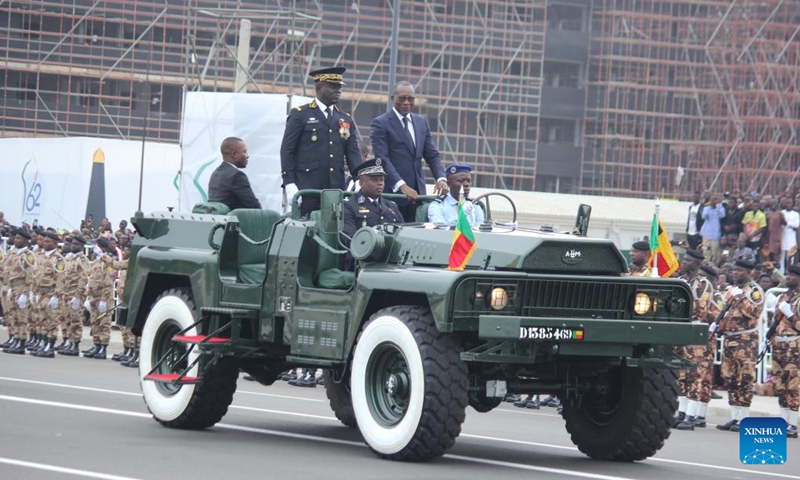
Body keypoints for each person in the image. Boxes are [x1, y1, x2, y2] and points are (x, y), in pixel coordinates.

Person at [281, 66, 362, 216]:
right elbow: (287, 150)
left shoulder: (345, 118)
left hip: (335, 189)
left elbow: (353, 154)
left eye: (339, 87)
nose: (338, 90)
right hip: (307, 187)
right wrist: (289, 183)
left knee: (332, 232)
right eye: (332, 86)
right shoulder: (300, 114)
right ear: (318, 88)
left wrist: (358, 178)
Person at [370, 81, 448, 222]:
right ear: (392, 98)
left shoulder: (421, 122)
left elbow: (432, 155)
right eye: (402, 98)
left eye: (410, 99)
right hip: (393, 195)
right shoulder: (381, 123)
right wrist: (402, 186)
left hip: (418, 195)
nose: (406, 102)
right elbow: (382, 159)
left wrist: (441, 179)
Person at [716, 259, 765, 432]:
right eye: (734, 270)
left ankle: (743, 418)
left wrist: (740, 298)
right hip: (730, 339)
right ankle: (734, 416)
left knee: (744, 379)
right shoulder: (733, 289)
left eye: (740, 271)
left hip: (745, 340)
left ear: (749, 273)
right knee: (731, 379)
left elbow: (755, 312)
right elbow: (725, 311)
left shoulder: (754, 291)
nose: (735, 273)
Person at [674, 250, 714, 430]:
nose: (684, 261)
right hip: (682, 330)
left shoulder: (703, 284)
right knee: (682, 374)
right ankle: (681, 413)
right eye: (685, 258)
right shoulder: (684, 281)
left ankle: (691, 415)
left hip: (695, 330)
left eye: (689, 260)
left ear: (697, 264)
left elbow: (700, 308)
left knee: (695, 375)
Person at [342, 158, 403, 244]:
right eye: (375, 180)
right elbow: (350, 239)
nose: (380, 183)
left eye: (382, 179)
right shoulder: (348, 205)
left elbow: (403, 234)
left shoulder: (391, 206)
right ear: (361, 183)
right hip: (363, 254)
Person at [772, 264, 800, 438]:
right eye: (787, 274)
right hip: (779, 345)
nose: (787, 277)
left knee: (793, 386)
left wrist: (790, 314)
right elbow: (775, 321)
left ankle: (793, 424)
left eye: (791, 275)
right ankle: (783, 422)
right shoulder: (783, 296)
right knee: (780, 386)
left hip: (794, 346)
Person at [207, 137, 262, 211]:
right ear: (234, 154)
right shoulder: (237, 176)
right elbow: (255, 207)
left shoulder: (215, 173)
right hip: (236, 221)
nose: (247, 156)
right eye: (245, 152)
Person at [700, 194, 726, 265]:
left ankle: (714, 265)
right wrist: (710, 206)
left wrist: (718, 205)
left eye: (715, 199)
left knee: (715, 252)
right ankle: (706, 264)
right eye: (712, 199)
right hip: (706, 233)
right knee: (706, 251)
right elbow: (704, 216)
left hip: (715, 235)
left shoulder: (720, 208)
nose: (713, 201)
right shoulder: (706, 208)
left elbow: (722, 215)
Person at [781, 197, 799, 273]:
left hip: (791, 237)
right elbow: (780, 224)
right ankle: (781, 271)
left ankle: (790, 272)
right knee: (781, 256)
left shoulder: (796, 214)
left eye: (790, 203)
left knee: (791, 255)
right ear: (784, 204)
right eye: (787, 203)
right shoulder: (781, 213)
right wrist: (790, 225)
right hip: (782, 235)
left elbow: (797, 224)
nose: (788, 204)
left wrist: (787, 224)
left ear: (792, 204)